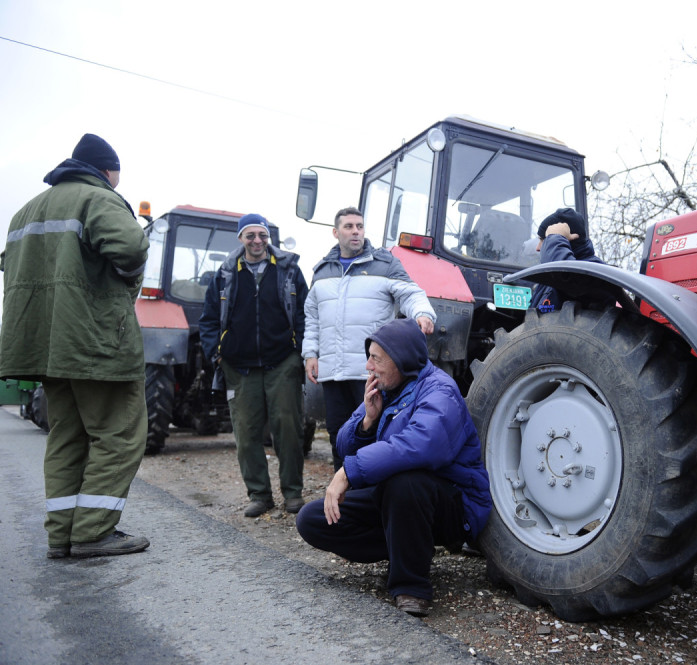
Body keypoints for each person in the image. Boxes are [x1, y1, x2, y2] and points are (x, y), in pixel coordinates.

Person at [0, 133, 151, 559]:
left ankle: (61, 535)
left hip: (45, 345)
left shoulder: (24, 211)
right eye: (115, 177)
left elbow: (9, 268)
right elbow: (131, 247)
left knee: (66, 436)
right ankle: (92, 533)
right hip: (94, 341)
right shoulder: (97, 198)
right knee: (118, 435)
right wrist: (123, 281)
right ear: (106, 171)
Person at [296, 318, 491, 617]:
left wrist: (347, 472)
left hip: (452, 505)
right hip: (400, 503)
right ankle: (408, 549)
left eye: (375, 358)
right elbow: (344, 446)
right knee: (312, 519)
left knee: (406, 481)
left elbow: (419, 446)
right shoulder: (385, 387)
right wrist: (367, 423)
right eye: (369, 357)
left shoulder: (440, 391)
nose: (368, 367)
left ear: (400, 359)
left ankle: (411, 586)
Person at [302, 206, 436, 471]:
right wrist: (310, 354)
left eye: (359, 226)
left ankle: (370, 494)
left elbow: (410, 293)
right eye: (349, 226)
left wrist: (422, 313)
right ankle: (342, 491)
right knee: (338, 433)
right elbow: (312, 318)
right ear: (335, 232)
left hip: (371, 371)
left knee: (373, 430)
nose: (356, 232)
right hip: (333, 373)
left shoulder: (384, 264)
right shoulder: (321, 271)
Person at [199, 214, 310, 518]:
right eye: (250, 236)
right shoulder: (224, 275)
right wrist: (217, 354)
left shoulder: (287, 271)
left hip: (282, 361)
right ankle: (259, 495)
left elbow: (304, 313)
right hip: (239, 366)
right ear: (240, 239)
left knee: (287, 427)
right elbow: (208, 320)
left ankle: (292, 494)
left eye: (262, 235)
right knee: (246, 433)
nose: (257, 241)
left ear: (268, 237)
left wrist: (299, 351)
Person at [528, 207, 613, 313]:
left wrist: (554, 238)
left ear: (567, 240)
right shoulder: (548, 281)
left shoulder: (594, 273)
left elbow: (569, 279)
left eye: (544, 240)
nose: (538, 248)